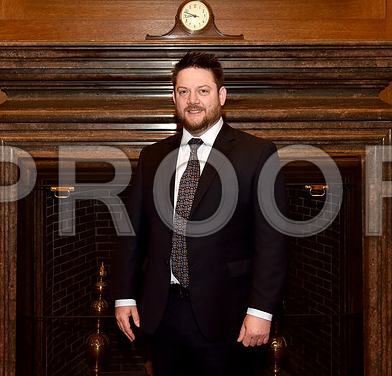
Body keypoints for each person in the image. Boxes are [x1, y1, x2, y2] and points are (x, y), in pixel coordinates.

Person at [111, 51, 288, 375]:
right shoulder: (152, 157)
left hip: (228, 316)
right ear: (174, 98)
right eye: (183, 91)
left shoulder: (257, 153)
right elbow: (133, 231)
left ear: (221, 95)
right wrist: (124, 296)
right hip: (161, 314)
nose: (193, 100)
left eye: (202, 91)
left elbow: (272, 242)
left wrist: (261, 310)